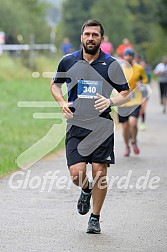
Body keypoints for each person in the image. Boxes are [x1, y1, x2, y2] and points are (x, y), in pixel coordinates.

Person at [50, 19, 130, 234]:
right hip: (76, 124)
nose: (91, 38)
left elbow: (125, 93)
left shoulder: (111, 64)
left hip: (101, 125)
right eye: (87, 34)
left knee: (100, 172)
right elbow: (55, 85)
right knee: (77, 173)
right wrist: (62, 102)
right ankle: (85, 190)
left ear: (101, 39)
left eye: (95, 35)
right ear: (81, 37)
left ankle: (95, 217)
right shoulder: (68, 61)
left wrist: (110, 101)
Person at [117, 48, 148, 157]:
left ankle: (134, 141)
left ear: (133, 57)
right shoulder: (119, 68)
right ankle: (127, 146)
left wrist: (141, 83)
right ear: (123, 57)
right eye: (126, 55)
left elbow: (145, 79)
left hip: (135, 100)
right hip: (122, 101)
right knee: (125, 127)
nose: (128, 57)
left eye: (130, 55)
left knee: (133, 123)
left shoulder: (139, 68)